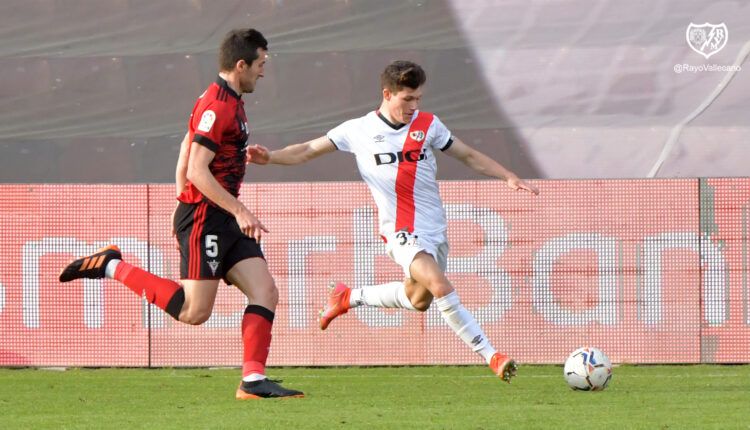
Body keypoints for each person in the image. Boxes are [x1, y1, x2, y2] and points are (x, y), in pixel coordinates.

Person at [247, 60, 539, 382]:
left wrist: (508, 176)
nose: (414, 107)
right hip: (400, 231)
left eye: (418, 99)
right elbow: (305, 150)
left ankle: (348, 297)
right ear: (387, 94)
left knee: (419, 300)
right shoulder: (358, 131)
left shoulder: (429, 125)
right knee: (440, 286)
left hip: (434, 231)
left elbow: (468, 155)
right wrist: (271, 157)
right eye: (407, 99)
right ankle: (493, 356)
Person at [58, 28, 303, 399]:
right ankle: (110, 265)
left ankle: (252, 381)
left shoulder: (228, 99)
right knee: (193, 312)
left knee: (265, 291)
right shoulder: (218, 105)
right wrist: (237, 209)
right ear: (241, 65)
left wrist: (183, 184)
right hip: (208, 218)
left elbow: (188, 147)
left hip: (222, 215)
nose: (263, 72)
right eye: (260, 64)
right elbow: (198, 169)